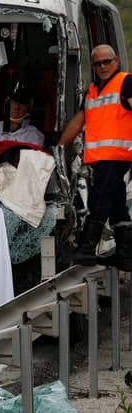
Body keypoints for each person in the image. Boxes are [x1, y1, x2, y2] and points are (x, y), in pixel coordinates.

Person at [58, 44, 132, 270]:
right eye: (98, 63)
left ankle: (86, 250)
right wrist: (59, 147)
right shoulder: (91, 91)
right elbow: (78, 122)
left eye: (107, 62)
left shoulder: (126, 82)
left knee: (98, 199)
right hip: (101, 158)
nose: (102, 66)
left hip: (118, 155)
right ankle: (125, 255)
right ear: (93, 66)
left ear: (116, 61)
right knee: (118, 205)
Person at [0, 81, 44, 156]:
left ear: (29, 107)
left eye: (22, 103)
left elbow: (33, 162)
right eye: (14, 102)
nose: (17, 107)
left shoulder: (34, 134)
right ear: (6, 105)